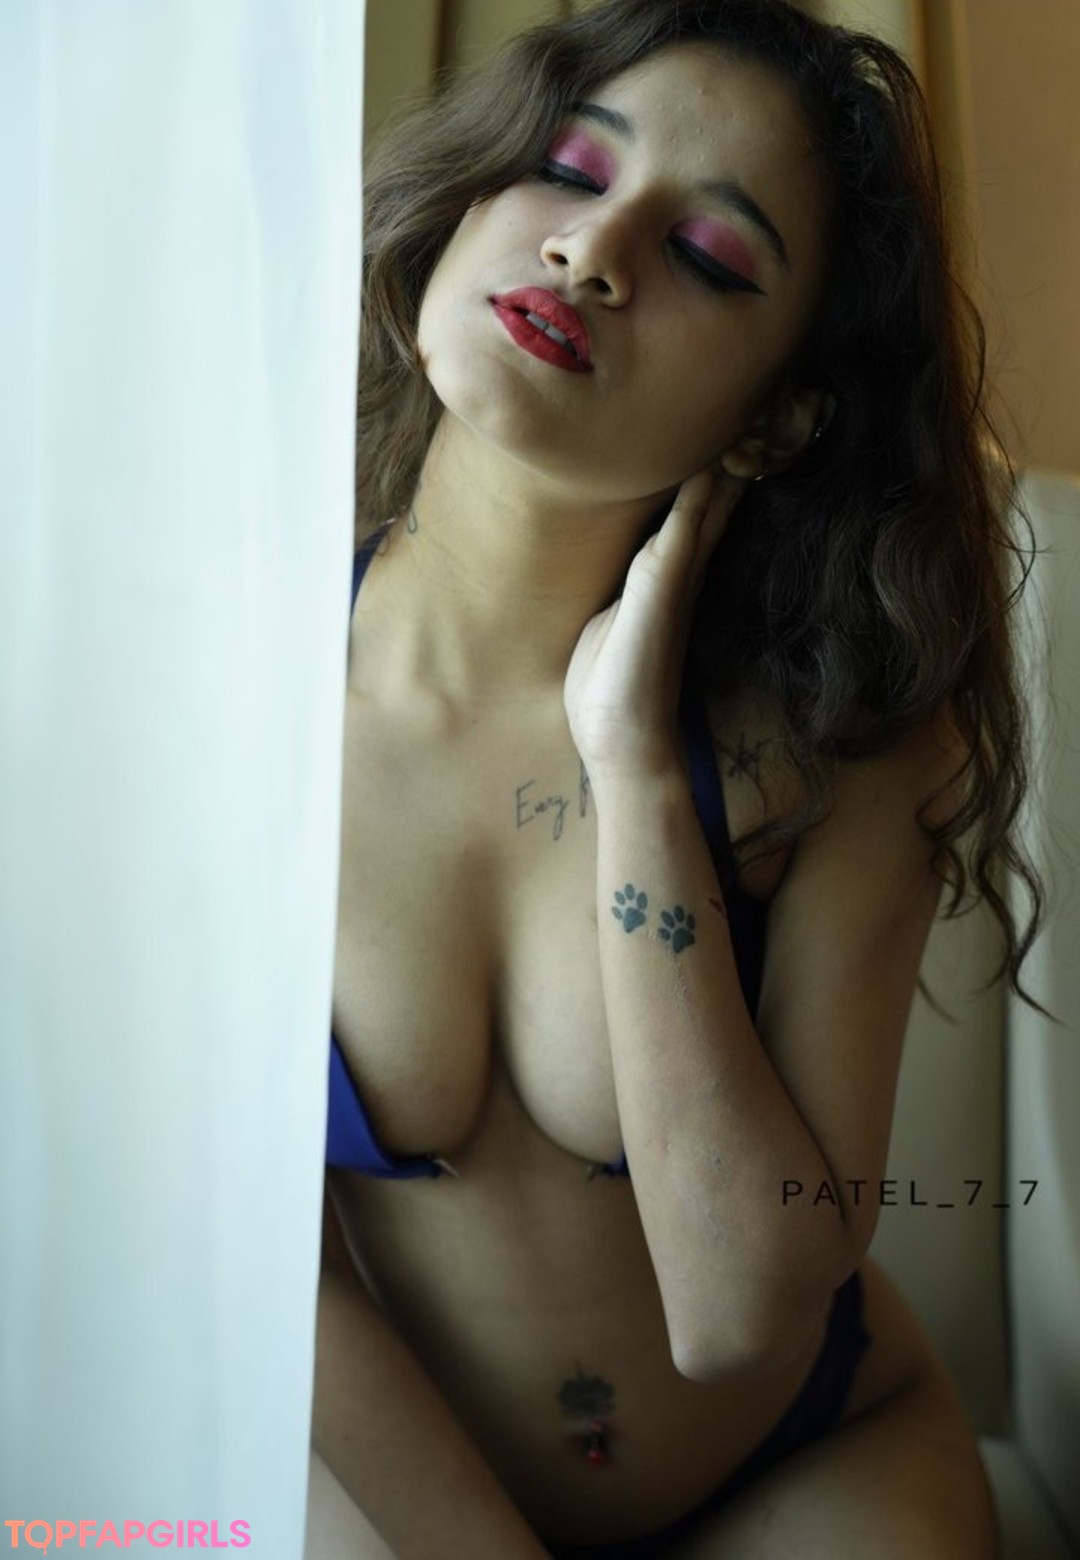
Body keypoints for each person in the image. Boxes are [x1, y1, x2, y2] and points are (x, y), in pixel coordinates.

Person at [313, 1, 1045, 1554]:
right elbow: (254, 1271)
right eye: (573, 168)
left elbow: (740, 1310)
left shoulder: (838, 749)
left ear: (778, 416)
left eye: (711, 257)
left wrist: (636, 763)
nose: (592, 250)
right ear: (466, 201)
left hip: (809, 1462)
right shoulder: (229, 698)